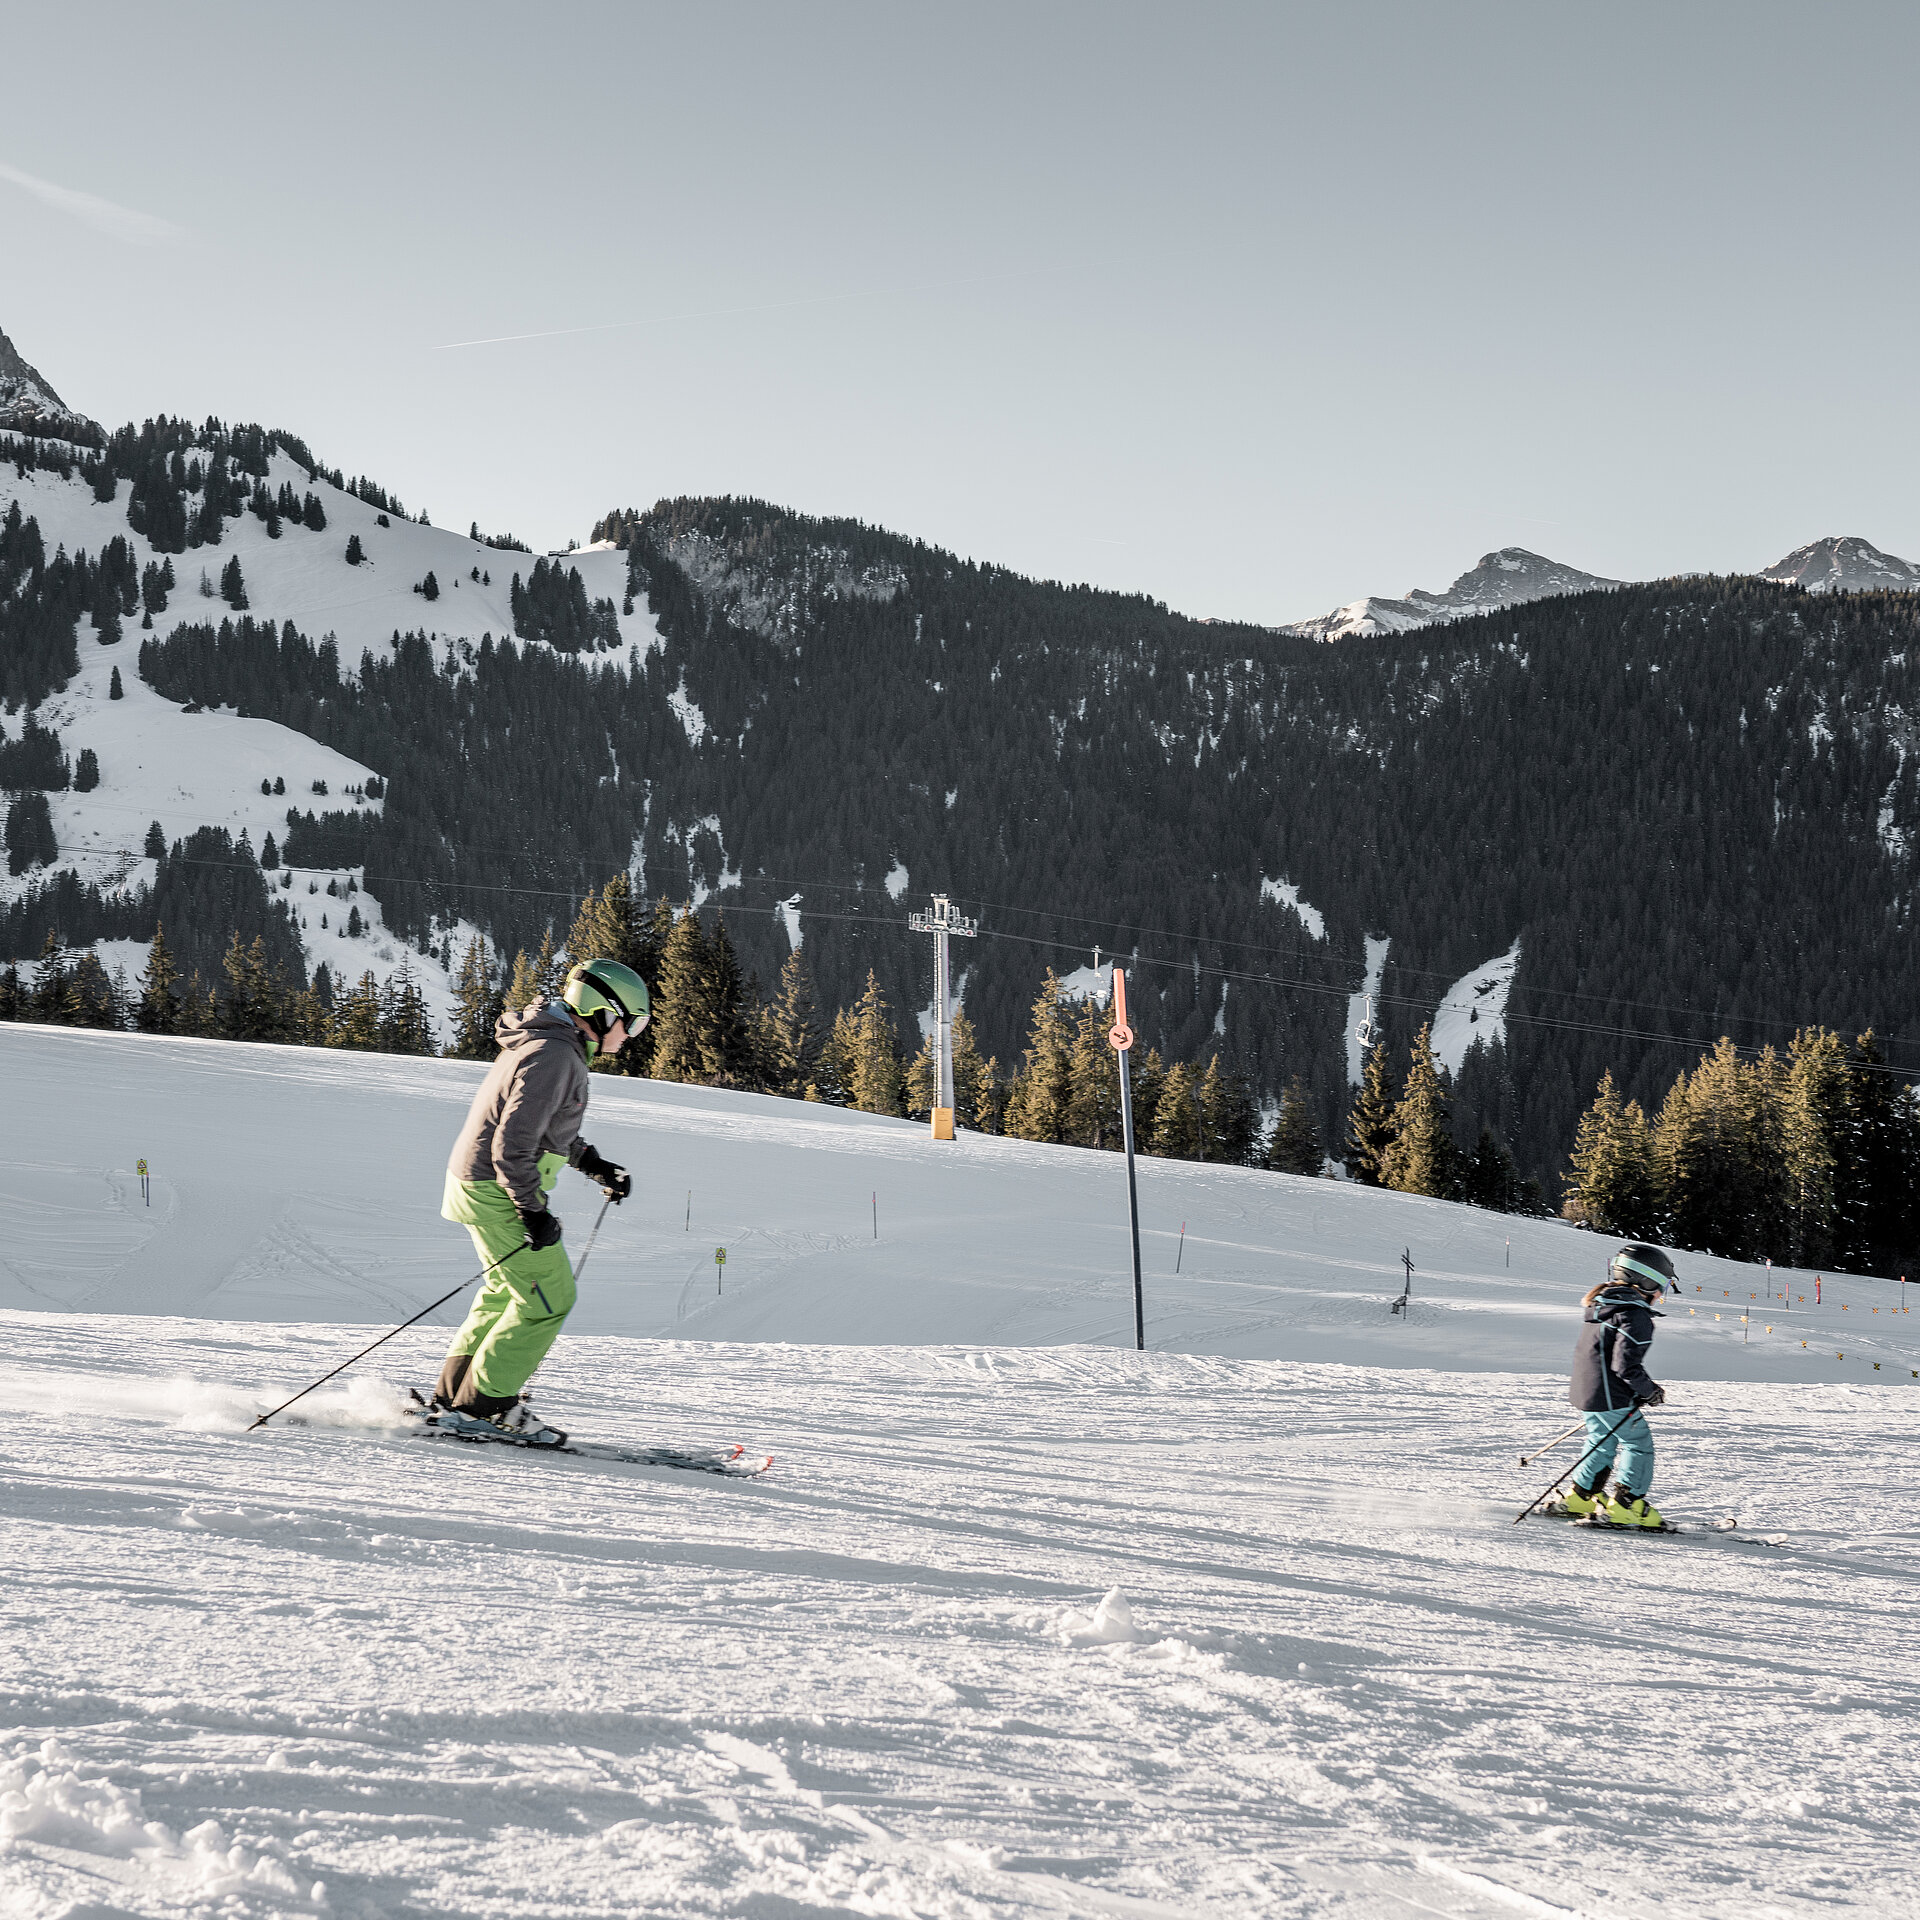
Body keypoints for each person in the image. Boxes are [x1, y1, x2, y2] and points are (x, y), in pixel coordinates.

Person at [430, 958, 651, 1445]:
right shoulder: (555, 1055)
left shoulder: (550, 1044)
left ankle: (456, 1397)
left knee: (503, 1293)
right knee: (548, 1299)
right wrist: (531, 1209)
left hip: (477, 1184)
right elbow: (512, 1144)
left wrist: (590, 1161)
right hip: (497, 1189)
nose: (632, 1035)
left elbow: (545, 1125)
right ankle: (484, 1408)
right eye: (632, 1022)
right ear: (602, 1012)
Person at [1559, 1243, 1673, 1528]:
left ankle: (1581, 1497)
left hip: (1589, 1391)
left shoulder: (1604, 1305)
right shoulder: (1635, 1315)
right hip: (1612, 1397)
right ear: (1646, 1281)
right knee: (1638, 1443)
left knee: (1601, 1442)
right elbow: (1625, 1366)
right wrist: (1649, 1391)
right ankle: (1627, 1506)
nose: (1661, 1295)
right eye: (1663, 1286)